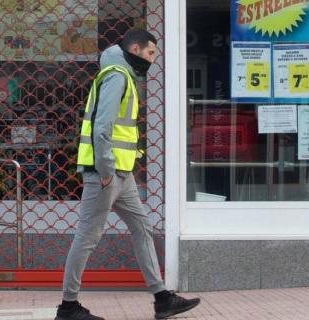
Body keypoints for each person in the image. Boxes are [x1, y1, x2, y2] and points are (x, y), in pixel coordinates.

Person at [57, 29, 201, 320]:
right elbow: (101, 128)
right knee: (87, 236)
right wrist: (107, 171)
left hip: (123, 174)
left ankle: (162, 298)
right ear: (135, 48)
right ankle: (68, 307)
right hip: (106, 174)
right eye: (150, 53)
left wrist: (118, 171)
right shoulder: (117, 76)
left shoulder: (124, 75)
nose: (151, 59)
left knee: (141, 227)